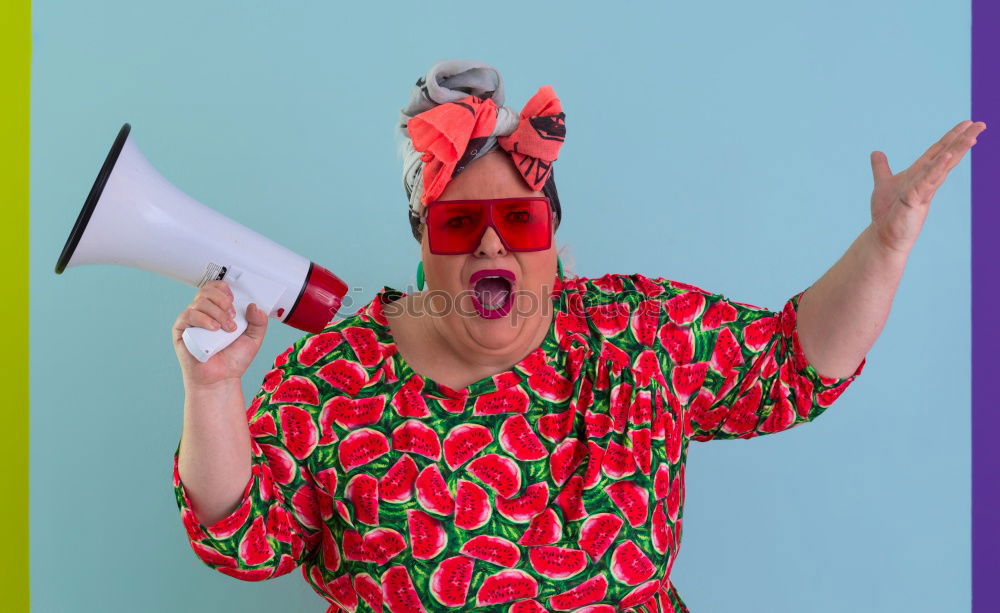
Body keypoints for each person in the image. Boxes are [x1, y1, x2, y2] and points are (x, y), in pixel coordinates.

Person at [170, 59, 986, 612]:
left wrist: (885, 244)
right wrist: (211, 390)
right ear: (423, 239)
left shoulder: (636, 334)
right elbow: (244, 539)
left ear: (551, 237)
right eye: (460, 225)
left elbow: (792, 367)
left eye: (516, 219)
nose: (491, 245)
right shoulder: (333, 373)